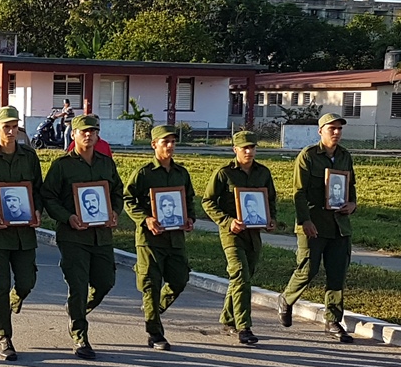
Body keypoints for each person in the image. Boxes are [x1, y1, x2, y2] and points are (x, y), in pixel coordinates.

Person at [41, 115, 122, 360]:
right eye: (83, 131)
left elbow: (117, 191)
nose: (88, 135)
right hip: (73, 237)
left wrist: (115, 212)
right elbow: (49, 197)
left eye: (93, 131)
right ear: (73, 134)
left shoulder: (106, 163)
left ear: (98, 135)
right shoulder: (62, 165)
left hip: (102, 236)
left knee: (105, 282)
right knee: (78, 286)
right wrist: (67, 217)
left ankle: (77, 310)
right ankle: (80, 335)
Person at [278, 113, 357, 343]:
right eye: (331, 128)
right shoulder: (308, 156)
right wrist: (304, 221)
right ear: (320, 131)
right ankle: (286, 299)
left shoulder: (344, 156)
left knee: (337, 275)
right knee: (307, 270)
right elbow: (298, 192)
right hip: (313, 224)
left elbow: (351, 187)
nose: (336, 133)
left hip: (339, 226)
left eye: (339, 129)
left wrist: (352, 204)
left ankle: (332, 321)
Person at [0, 106, 42, 361]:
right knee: (0, 286)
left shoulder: (29, 157)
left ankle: (17, 298)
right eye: (6, 127)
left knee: (26, 282)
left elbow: (38, 191)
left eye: (15, 126)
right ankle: (4, 337)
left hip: (24, 234)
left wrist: (38, 212)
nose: (11, 131)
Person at [123, 125, 195, 351]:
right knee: (151, 285)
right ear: (154, 145)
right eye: (165, 142)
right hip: (150, 240)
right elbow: (128, 199)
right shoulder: (144, 173)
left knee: (179, 279)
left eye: (173, 141)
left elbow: (189, 199)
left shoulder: (181, 173)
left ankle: (153, 310)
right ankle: (155, 333)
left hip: (175, 238)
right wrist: (145, 219)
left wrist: (190, 218)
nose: (170, 146)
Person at [201, 130, 277, 345]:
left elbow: (270, 200)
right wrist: (227, 221)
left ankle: (227, 318)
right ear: (235, 149)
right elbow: (208, 202)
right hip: (232, 234)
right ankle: (244, 326)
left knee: (244, 277)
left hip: (254, 234)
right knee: (241, 275)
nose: (249, 151)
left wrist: (272, 220)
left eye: (252, 147)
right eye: (244, 147)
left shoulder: (263, 173)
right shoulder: (224, 173)